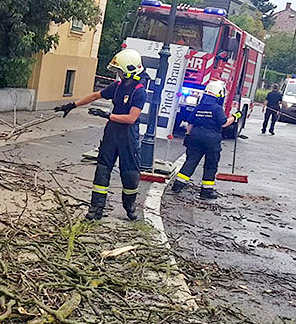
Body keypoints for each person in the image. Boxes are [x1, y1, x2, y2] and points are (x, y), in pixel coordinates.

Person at [54, 48, 148, 220]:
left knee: (129, 173)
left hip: (128, 136)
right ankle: (96, 208)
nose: (118, 74)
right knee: (102, 169)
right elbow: (96, 95)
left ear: (129, 69)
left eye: (120, 71)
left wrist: (107, 115)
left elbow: (131, 118)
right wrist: (72, 105)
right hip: (112, 133)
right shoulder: (118, 87)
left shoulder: (139, 91)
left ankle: (130, 207)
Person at [171, 80, 241, 199]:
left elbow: (190, 123)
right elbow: (223, 123)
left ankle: (178, 184)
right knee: (211, 163)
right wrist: (235, 117)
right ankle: (206, 190)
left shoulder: (199, 107)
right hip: (211, 138)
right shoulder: (217, 108)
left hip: (196, 136)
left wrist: (188, 136)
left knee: (191, 160)